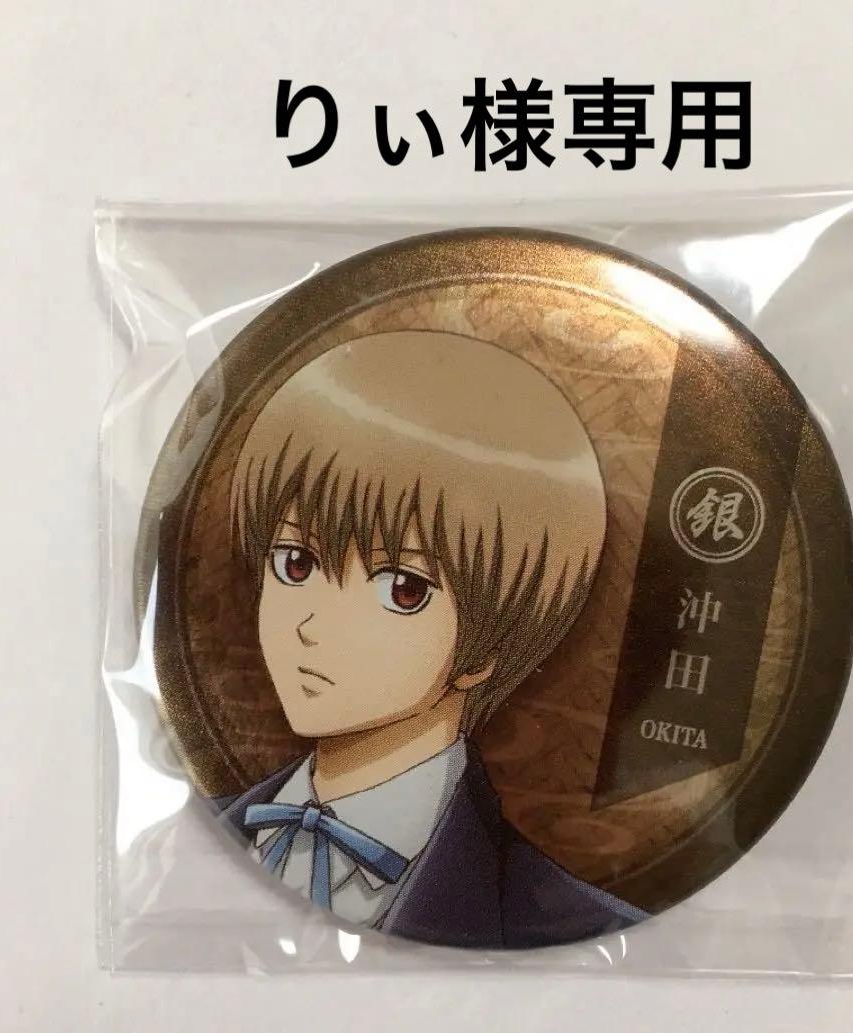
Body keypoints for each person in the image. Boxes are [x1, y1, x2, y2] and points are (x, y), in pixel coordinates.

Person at [218, 330, 644, 948]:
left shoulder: (574, 924)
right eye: (296, 563)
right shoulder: (197, 836)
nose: (311, 625)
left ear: (490, 647)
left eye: (402, 589)